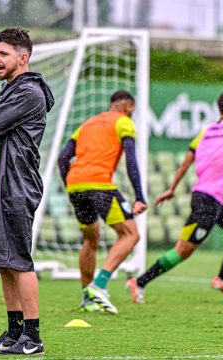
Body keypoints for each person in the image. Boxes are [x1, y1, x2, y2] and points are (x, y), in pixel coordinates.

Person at [127, 91, 223, 304]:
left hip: (214, 198)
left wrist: (172, 188)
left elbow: (186, 162)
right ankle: (139, 282)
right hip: (207, 202)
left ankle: (221, 278)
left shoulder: (206, 131)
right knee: (182, 251)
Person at [0, 28, 54, 356]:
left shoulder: (28, 92)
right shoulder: (10, 90)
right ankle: (14, 332)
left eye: (3, 54)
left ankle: (33, 337)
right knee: (5, 262)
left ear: (23, 57)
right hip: (0, 185)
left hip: (16, 186)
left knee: (19, 261)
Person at [57, 90, 147, 314]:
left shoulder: (88, 123)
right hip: (99, 185)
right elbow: (131, 162)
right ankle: (99, 285)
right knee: (131, 234)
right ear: (128, 106)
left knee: (90, 239)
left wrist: (71, 182)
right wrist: (139, 196)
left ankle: (88, 300)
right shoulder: (124, 122)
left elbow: (63, 158)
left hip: (75, 185)